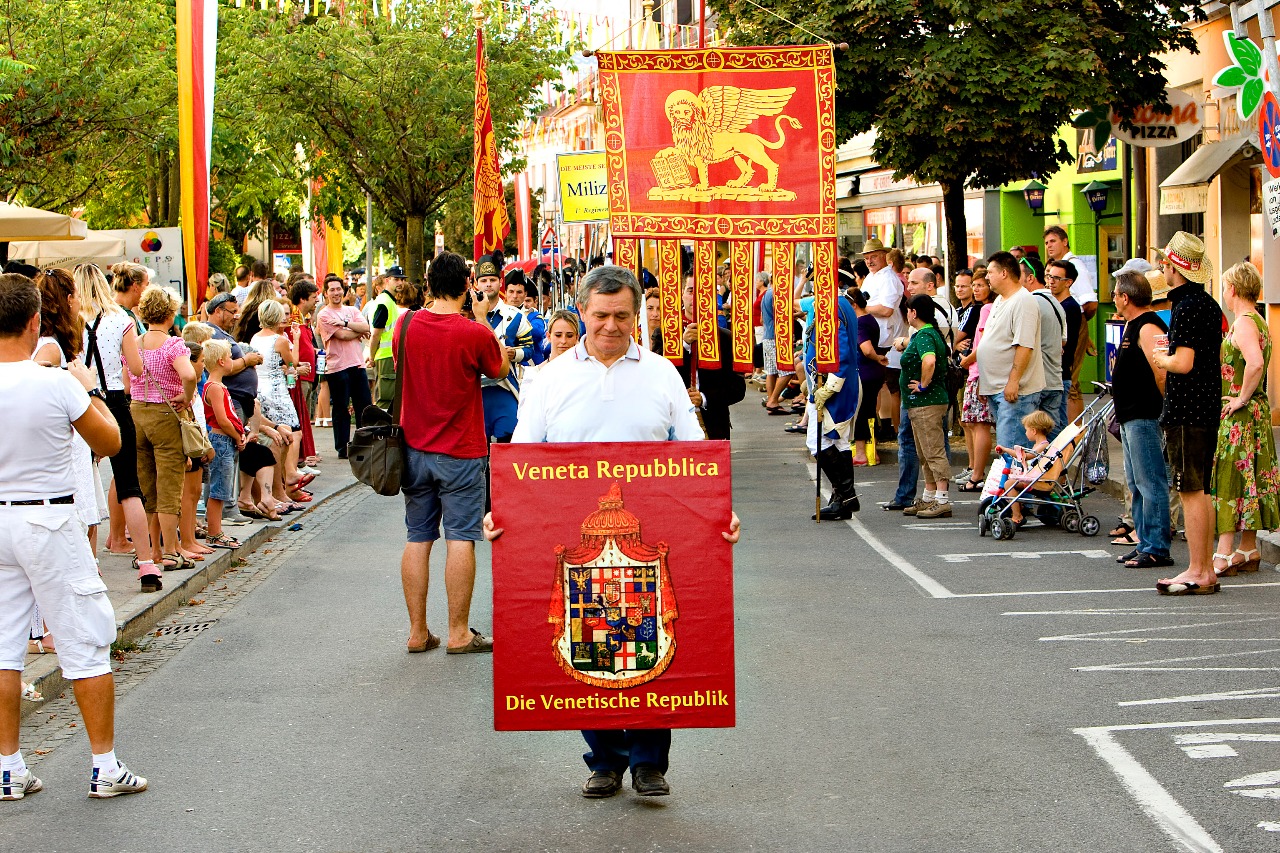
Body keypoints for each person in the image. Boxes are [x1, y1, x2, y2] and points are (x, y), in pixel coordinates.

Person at [496, 265, 740, 800]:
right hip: (577, 539)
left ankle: (650, 763)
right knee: (589, 644)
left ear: (636, 316)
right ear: (582, 311)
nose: (611, 326)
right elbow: (522, 455)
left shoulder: (662, 374)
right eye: (601, 315)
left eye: (623, 316)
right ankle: (603, 760)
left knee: (652, 641)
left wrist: (721, 512)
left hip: (651, 537)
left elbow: (694, 451)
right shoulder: (549, 379)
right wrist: (502, 516)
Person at [0, 272, 149, 802]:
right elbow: (109, 442)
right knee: (85, 642)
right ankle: (104, 765)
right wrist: (88, 388)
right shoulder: (56, 381)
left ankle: (8, 767)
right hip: (49, 520)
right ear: (34, 321)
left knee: (4, 649)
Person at [392, 251, 511, 655]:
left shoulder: (405, 324)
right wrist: (481, 318)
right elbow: (500, 369)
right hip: (460, 450)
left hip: (413, 448)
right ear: (467, 285)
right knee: (461, 537)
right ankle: (459, 633)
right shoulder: (473, 332)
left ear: (428, 284)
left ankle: (417, 632)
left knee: (418, 537)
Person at [1152, 233, 1224, 595]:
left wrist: (1161, 358)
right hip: (1204, 406)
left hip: (1188, 408)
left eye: (1165, 262)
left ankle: (1199, 569)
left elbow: (1183, 362)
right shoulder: (1207, 303)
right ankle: (1204, 568)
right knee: (1201, 490)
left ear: (1174, 267)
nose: (1162, 267)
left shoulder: (1186, 306)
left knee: (1191, 490)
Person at [128, 285, 199, 587]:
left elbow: (126, 383)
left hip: (137, 412)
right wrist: (187, 396)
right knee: (169, 482)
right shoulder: (173, 345)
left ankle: (149, 550)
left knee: (146, 485)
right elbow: (189, 374)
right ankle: (170, 550)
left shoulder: (135, 342)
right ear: (170, 313)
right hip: (165, 413)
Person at [1211, 262, 1279, 577]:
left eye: (1225, 287)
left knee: (1230, 476)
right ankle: (1247, 547)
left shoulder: (1244, 323)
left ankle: (1224, 552)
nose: (1224, 293)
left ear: (1234, 289)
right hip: (1255, 412)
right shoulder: (1259, 320)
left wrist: (1240, 397)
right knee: (1250, 476)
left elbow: (1255, 363)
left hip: (1241, 413)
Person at [33, 270, 106, 549]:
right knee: (79, 517)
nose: (79, 301)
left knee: (83, 517)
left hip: (68, 438)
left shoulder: (50, 342)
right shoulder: (50, 347)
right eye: (76, 295)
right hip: (66, 440)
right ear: (67, 300)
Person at [1109, 271, 1171, 569]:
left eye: (1115, 293)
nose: (1113, 298)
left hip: (1145, 415)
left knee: (1151, 482)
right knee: (1136, 483)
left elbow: (1162, 372)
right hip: (1130, 415)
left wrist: (1167, 409)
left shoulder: (1148, 326)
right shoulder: (1133, 324)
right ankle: (1144, 542)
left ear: (1126, 297)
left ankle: (1157, 547)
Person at [659, 275, 747, 441]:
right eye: (690, 291)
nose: (695, 298)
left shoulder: (725, 338)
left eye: (702, 293)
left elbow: (737, 388)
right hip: (674, 426)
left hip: (713, 426)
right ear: (682, 294)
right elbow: (657, 377)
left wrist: (704, 398)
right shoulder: (664, 335)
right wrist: (684, 345)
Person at [806, 276, 862, 520]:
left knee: (816, 441)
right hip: (832, 383)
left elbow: (842, 351)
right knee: (838, 442)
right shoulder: (840, 303)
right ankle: (841, 500)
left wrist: (830, 387)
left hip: (833, 385)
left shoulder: (833, 306)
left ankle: (847, 496)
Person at [976, 251, 1044, 450]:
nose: (987, 277)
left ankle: (1014, 474)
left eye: (990, 272)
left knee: (1011, 450)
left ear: (1004, 273)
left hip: (1015, 392)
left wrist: (1013, 381)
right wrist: (983, 381)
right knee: (1006, 447)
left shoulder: (1023, 301)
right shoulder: (1000, 299)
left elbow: (1024, 346)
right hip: (997, 388)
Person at [899, 295, 952, 518]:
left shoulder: (924, 336)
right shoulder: (929, 333)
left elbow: (929, 360)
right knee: (925, 451)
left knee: (933, 450)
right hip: (924, 404)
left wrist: (923, 384)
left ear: (914, 312)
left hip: (926, 403)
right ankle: (930, 496)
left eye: (908, 310)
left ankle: (942, 499)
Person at [474, 253, 532, 444]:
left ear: (500, 283)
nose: (488, 285)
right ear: (476, 284)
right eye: (483, 280)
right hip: (474, 392)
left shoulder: (515, 316)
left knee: (509, 445)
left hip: (506, 388)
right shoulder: (466, 316)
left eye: (492, 280)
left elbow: (529, 349)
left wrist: (515, 353)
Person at [1043, 226, 1098, 423]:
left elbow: (1091, 304)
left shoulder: (1074, 265)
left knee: (1071, 381)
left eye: (1053, 241)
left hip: (1074, 320)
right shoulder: (1059, 265)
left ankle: (1075, 431)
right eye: (1046, 242)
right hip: (1069, 322)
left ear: (1065, 241)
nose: (1049, 246)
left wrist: (1080, 326)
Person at [317, 278, 372, 459]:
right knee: (341, 408)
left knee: (363, 407)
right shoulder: (324, 315)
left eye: (338, 289)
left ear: (344, 290)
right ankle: (342, 447)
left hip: (357, 364)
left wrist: (345, 323)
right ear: (326, 293)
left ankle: (364, 444)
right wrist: (357, 332)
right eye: (332, 290)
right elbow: (342, 336)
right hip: (337, 367)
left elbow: (366, 326)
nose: (336, 293)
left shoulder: (352, 310)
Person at [199, 339, 244, 550]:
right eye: (230, 357)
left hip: (224, 440)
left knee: (222, 488)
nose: (232, 360)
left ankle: (215, 531)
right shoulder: (215, 388)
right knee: (219, 490)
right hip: (221, 440)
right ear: (221, 361)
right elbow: (222, 419)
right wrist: (237, 436)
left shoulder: (217, 386)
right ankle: (214, 532)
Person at [860, 238, 905, 434]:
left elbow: (886, 309)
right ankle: (873, 430)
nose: (869, 261)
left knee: (878, 388)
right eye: (867, 258)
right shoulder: (872, 277)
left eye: (873, 257)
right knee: (873, 389)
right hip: (871, 335)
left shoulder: (888, 278)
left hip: (881, 339)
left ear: (884, 256)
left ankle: (878, 431)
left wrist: (862, 309)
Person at [1020, 254, 1067, 437]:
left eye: (1019, 276)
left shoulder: (1031, 302)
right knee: (1053, 434)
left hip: (1037, 382)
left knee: (1033, 436)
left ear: (1030, 278)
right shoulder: (1056, 303)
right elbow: (1063, 341)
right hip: (1055, 379)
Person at [957, 276, 996, 492]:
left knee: (980, 424)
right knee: (972, 423)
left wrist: (968, 359)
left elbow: (984, 343)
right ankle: (975, 469)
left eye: (981, 285)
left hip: (980, 372)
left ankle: (977, 474)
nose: (976, 289)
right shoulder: (985, 308)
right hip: (978, 371)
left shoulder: (987, 309)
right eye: (975, 285)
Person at [848, 288, 887, 466]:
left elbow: (867, 349)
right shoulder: (870, 319)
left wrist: (877, 357)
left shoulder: (860, 323)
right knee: (870, 412)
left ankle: (861, 453)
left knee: (860, 413)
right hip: (873, 373)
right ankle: (873, 452)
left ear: (854, 305)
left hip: (864, 372)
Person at [1046, 260, 1083, 432]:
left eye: (1056, 278)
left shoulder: (1070, 307)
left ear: (1068, 282)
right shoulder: (1054, 303)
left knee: (1056, 425)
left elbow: (1064, 343)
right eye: (1049, 276)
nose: (1051, 281)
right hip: (1055, 372)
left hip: (1060, 373)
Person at [369, 267, 405, 409]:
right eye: (396, 279)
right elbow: (376, 334)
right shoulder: (385, 302)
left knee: (390, 399)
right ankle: (380, 423)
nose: (400, 283)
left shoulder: (389, 301)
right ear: (387, 280)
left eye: (402, 279)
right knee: (385, 399)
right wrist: (371, 357)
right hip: (385, 357)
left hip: (389, 356)